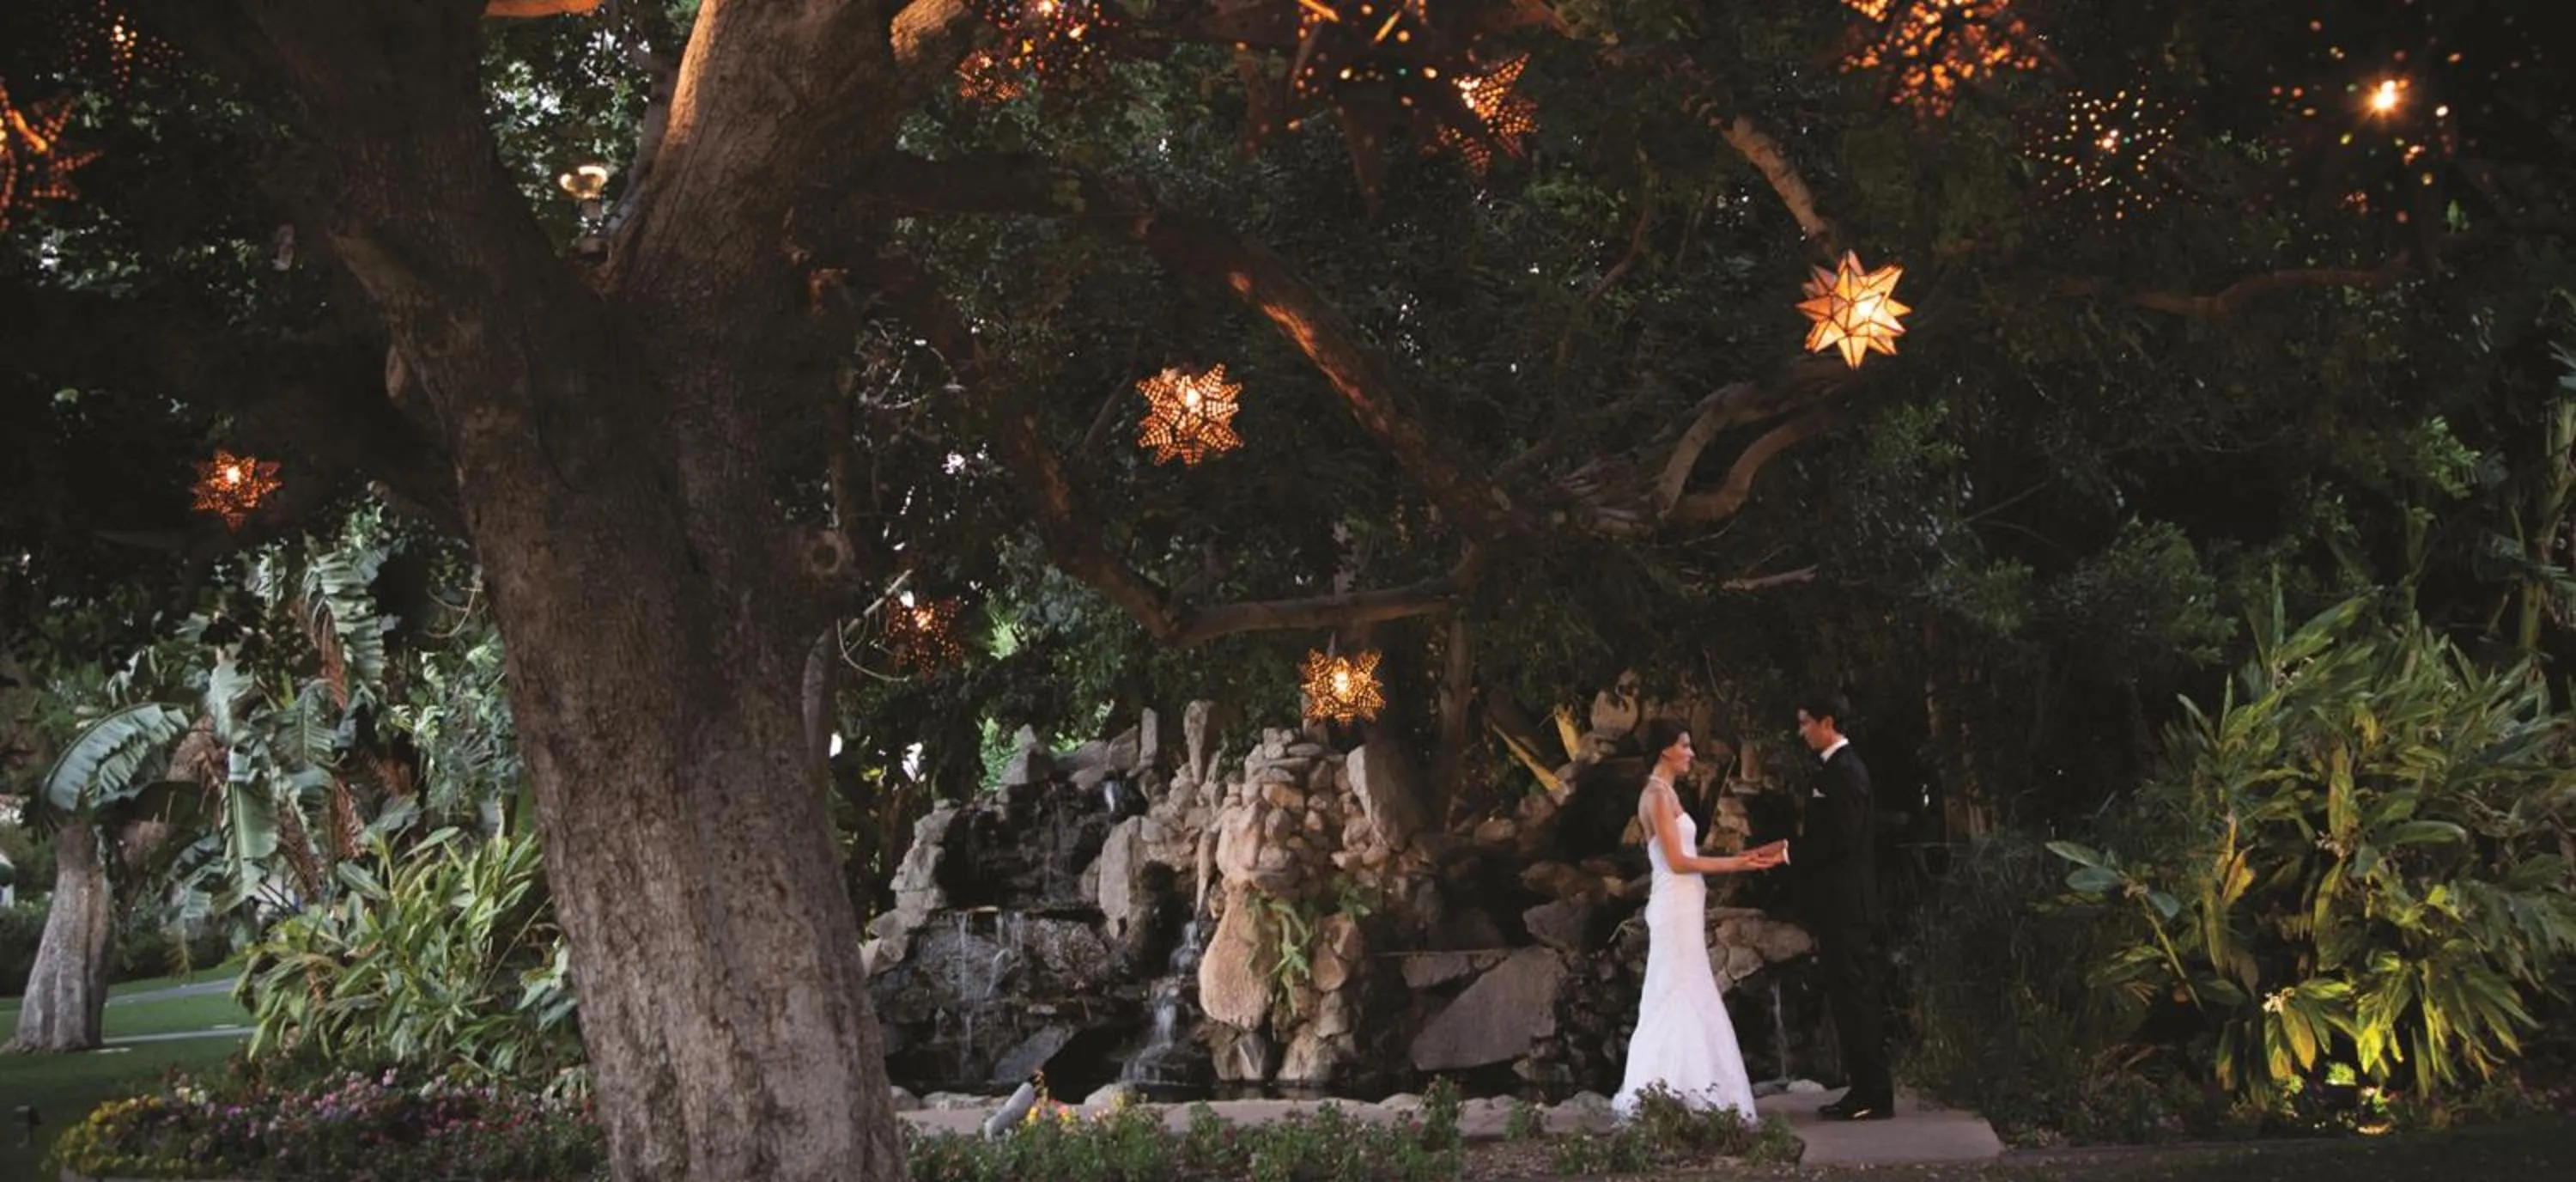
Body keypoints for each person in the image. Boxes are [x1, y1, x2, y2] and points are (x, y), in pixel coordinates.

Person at [1613, 719, 1783, 1121]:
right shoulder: (1655, 795)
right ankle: (1671, 1094)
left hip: (1686, 905)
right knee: (1675, 991)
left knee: (1692, 988)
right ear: (1665, 751)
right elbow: (1677, 861)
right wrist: (1738, 863)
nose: (1691, 753)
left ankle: (1695, 1091)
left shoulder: (1668, 793)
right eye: (1685, 746)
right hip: (1673, 908)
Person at [1749, 692, 1893, 1121]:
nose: (1801, 731)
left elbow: (1841, 840)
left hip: (1848, 907)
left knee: (1856, 998)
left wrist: (1790, 852)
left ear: (1827, 722)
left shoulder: (1845, 772)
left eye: (1805, 722)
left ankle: (1870, 1095)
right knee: (1850, 997)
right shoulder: (1837, 771)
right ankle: (1867, 1090)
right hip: (1841, 905)